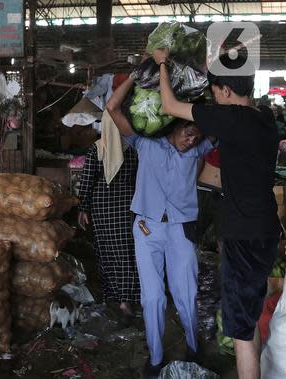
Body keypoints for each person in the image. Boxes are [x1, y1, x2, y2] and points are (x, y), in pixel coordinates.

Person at [156, 48, 280, 379]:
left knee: (239, 331)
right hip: (268, 229)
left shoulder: (230, 118)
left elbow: (168, 105)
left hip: (243, 233)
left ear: (226, 91)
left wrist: (162, 64)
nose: (215, 99)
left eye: (216, 93)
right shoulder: (266, 119)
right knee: (248, 315)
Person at [107, 75, 213, 378]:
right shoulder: (145, 144)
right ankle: (155, 358)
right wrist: (137, 76)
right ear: (171, 126)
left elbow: (226, 122)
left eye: (196, 134)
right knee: (152, 297)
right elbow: (113, 107)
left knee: (186, 293)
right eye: (187, 133)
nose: (191, 139)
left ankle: (194, 348)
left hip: (181, 230)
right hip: (147, 229)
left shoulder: (197, 149)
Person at [77, 139, 140, 323]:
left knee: (107, 251)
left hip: (103, 206)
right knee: (127, 251)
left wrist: (83, 208)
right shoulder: (133, 148)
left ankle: (112, 296)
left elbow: (87, 180)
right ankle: (126, 299)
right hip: (127, 205)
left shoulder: (97, 148)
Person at [196, 147, 223, 252]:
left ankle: (225, 268)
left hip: (226, 193)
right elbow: (199, 157)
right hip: (203, 187)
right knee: (193, 236)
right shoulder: (212, 135)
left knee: (224, 240)